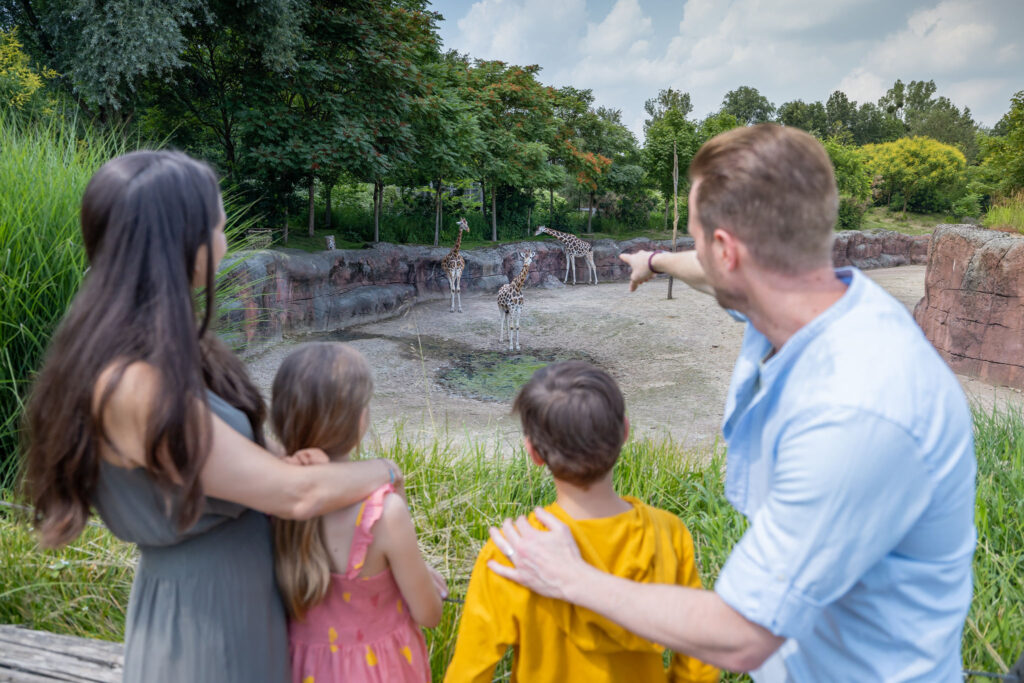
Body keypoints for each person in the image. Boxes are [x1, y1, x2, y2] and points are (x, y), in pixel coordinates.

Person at [483, 124, 976, 681]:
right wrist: (656, 261)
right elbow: (714, 273)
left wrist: (571, 577)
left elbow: (741, 637)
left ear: (727, 251)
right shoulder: (805, 298)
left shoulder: (854, 413)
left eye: (698, 240)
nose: (697, 253)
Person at [24, 150, 402, 683]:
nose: (225, 231)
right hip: (206, 627)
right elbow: (293, 496)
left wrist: (291, 463)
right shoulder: (136, 382)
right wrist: (385, 473)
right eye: (217, 219)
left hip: (226, 605)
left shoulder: (160, 350)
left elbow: (253, 470)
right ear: (180, 241)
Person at [444, 361, 720, 683]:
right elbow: (700, 659)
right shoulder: (668, 533)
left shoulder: (512, 550)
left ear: (533, 453)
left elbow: (468, 673)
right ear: (625, 432)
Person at [271, 342, 445, 683]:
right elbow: (429, 614)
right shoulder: (383, 513)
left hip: (298, 667)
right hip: (379, 670)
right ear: (359, 420)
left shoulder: (271, 502)